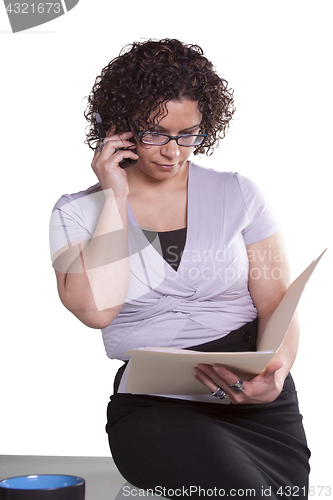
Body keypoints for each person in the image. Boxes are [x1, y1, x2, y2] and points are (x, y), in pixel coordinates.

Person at [49, 39, 310, 498]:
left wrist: (276, 372)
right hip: (157, 408)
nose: (174, 151)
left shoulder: (240, 194)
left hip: (254, 399)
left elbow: (276, 302)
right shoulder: (76, 213)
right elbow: (96, 312)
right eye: (155, 133)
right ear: (117, 128)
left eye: (189, 134)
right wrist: (115, 197)